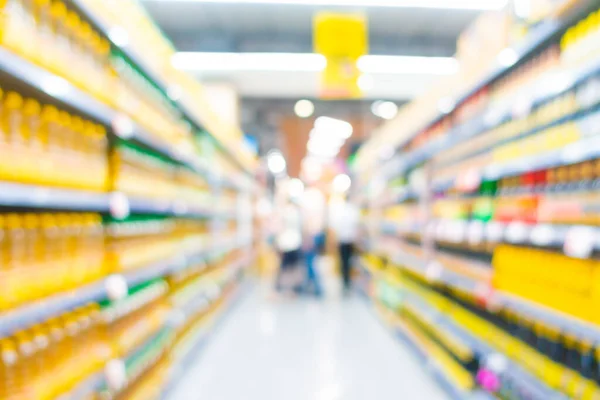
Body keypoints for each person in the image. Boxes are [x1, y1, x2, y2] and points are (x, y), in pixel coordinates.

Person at [330, 198, 359, 292]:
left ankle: (345, 280)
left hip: (342, 240)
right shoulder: (353, 210)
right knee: (349, 260)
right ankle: (348, 280)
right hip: (350, 240)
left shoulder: (340, 211)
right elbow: (356, 225)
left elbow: (335, 226)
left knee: (343, 261)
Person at [300, 188, 326, 297]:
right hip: (318, 234)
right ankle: (312, 285)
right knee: (311, 261)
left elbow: (309, 222)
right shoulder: (320, 197)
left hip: (312, 235)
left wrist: (307, 238)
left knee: (309, 262)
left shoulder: (307, 199)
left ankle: (316, 286)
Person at [275, 201, 303, 292]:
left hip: (286, 243)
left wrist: (278, 243)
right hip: (296, 242)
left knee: (284, 267)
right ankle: (292, 289)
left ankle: (281, 289)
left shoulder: (285, 213)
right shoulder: (298, 213)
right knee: (293, 267)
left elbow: (280, 228)